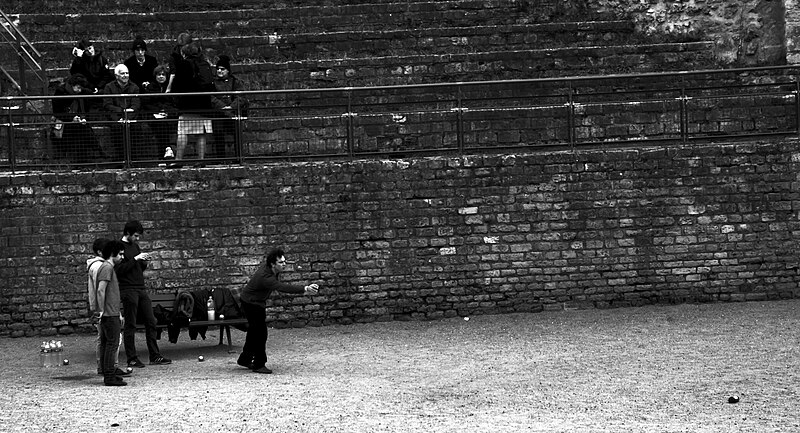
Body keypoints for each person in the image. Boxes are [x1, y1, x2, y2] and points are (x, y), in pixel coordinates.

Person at [237, 248, 319, 374]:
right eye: (281, 263)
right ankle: (259, 364)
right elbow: (282, 287)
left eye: (284, 261)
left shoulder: (271, 269)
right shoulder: (266, 277)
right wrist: (305, 288)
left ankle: (245, 359)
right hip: (251, 304)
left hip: (254, 302)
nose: (284, 264)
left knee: (254, 331)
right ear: (272, 264)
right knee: (260, 333)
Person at [115, 220, 171, 368]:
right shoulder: (119, 248)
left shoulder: (135, 246)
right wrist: (135, 259)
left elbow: (137, 269)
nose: (137, 239)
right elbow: (119, 270)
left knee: (151, 321)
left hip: (140, 288)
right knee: (131, 325)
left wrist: (143, 262)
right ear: (127, 233)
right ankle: (132, 358)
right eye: (135, 236)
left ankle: (155, 355)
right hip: (128, 289)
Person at [87, 238, 130, 379]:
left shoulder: (107, 267)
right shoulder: (107, 268)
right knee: (112, 343)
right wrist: (101, 310)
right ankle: (110, 374)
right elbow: (101, 290)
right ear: (113, 254)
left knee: (107, 343)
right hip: (109, 313)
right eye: (120, 254)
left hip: (111, 312)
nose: (122, 257)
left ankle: (107, 371)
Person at [172, 41, 214, 161]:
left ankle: (178, 160)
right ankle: (200, 160)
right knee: (201, 133)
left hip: (187, 104)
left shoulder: (183, 64)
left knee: (182, 132)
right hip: (204, 104)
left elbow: (177, 85)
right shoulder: (205, 64)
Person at [103, 64, 152, 161]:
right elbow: (107, 105)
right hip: (115, 117)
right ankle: (121, 159)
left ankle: (133, 159)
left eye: (127, 73)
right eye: (122, 73)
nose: (125, 75)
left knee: (136, 129)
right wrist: (121, 112)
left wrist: (128, 117)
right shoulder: (109, 87)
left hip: (131, 117)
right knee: (117, 129)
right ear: (116, 76)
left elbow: (136, 105)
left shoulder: (134, 87)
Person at [52, 73, 102, 163]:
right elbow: (57, 112)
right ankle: (97, 150)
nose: (79, 90)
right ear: (72, 85)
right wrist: (72, 118)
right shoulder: (60, 92)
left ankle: (85, 159)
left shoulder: (83, 91)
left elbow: (94, 101)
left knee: (82, 128)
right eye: (78, 88)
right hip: (65, 122)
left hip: (80, 121)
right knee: (80, 130)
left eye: (80, 88)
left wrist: (83, 118)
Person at [211, 55, 248, 158]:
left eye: (222, 69)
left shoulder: (235, 81)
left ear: (227, 70)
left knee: (236, 132)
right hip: (219, 113)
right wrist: (222, 107)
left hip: (233, 112)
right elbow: (211, 97)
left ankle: (238, 157)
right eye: (218, 69)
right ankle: (221, 157)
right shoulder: (212, 82)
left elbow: (240, 96)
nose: (219, 71)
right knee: (218, 133)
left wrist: (231, 107)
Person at [68, 38, 114, 116]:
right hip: (88, 87)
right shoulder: (81, 61)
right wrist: (78, 58)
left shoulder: (102, 59)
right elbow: (76, 74)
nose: (90, 51)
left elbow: (106, 75)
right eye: (86, 50)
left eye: (90, 48)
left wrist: (98, 87)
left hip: (101, 87)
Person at [142, 65, 178, 159]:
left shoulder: (171, 88)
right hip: (154, 115)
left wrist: (165, 112)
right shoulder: (150, 87)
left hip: (168, 115)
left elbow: (173, 103)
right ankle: (167, 149)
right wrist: (158, 111)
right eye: (159, 75)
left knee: (164, 124)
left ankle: (163, 155)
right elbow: (147, 103)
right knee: (160, 125)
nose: (161, 77)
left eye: (163, 75)